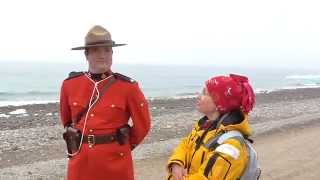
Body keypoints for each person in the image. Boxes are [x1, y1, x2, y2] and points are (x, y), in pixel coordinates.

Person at [59, 25, 151, 180]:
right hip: (81, 161)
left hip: (116, 163)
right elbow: (67, 120)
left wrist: (122, 146)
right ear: (86, 54)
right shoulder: (70, 85)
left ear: (112, 53)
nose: (102, 55)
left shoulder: (128, 87)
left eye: (107, 50)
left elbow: (143, 125)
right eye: (96, 50)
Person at [166, 74, 256, 180]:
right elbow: (186, 144)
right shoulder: (205, 126)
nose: (198, 96)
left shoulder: (232, 145)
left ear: (219, 102)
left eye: (205, 93)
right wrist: (177, 163)